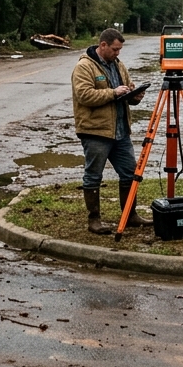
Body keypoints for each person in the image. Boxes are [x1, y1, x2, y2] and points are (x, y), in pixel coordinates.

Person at [71, 27, 150, 234]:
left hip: (120, 131)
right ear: (103, 45)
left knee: (130, 173)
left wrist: (133, 96)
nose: (118, 53)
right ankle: (94, 219)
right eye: (115, 49)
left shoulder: (119, 65)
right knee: (93, 176)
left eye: (119, 50)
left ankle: (130, 214)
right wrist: (113, 92)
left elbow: (123, 93)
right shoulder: (84, 67)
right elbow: (84, 95)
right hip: (96, 131)